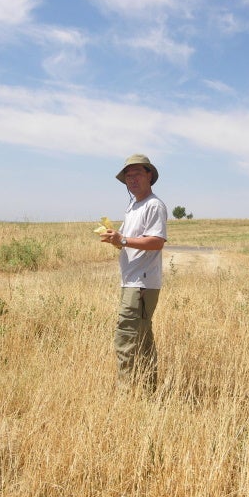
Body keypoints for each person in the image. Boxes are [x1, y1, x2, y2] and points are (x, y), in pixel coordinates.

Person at [100, 153, 168, 393]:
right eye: (128, 176)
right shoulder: (133, 206)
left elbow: (157, 242)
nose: (132, 179)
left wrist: (124, 239)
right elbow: (128, 241)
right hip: (132, 282)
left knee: (125, 340)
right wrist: (116, 240)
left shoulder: (153, 205)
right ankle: (149, 391)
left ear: (149, 175)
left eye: (137, 173)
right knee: (142, 340)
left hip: (141, 284)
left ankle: (124, 395)